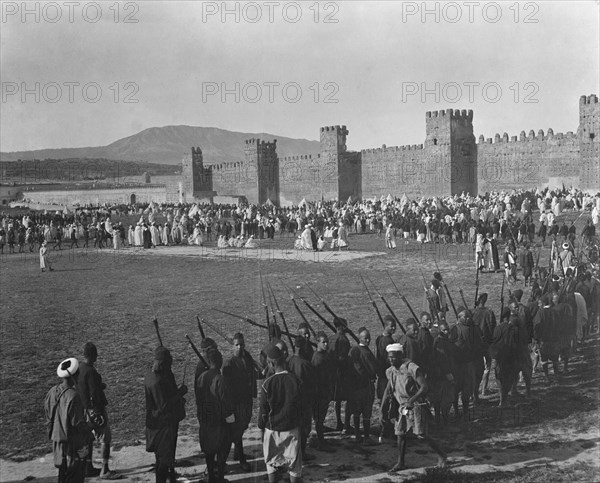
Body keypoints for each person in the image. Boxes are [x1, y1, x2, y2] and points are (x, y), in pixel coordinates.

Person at [381, 344, 447, 472]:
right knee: (400, 434)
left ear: (400, 356)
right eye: (389, 358)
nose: (391, 360)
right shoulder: (390, 371)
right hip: (402, 407)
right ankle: (400, 463)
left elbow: (424, 387)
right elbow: (389, 390)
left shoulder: (411, 368)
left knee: (421, 434)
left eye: (393, 358)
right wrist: (384, 408)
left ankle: (442, 455)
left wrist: (411, 400)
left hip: (416, 405)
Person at [258, 345, 303, 483]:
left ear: (271, 363)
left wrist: (261, 429)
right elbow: (302, 407)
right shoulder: (296, 380)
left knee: (271, 464)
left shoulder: (267, 384)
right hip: (292, 429)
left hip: (273, 431)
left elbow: (263, 412)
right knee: (294, 465)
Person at [44, 357, 92, 483]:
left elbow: (48, 416)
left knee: (62, 475)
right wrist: (90, 427)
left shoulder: (52, 392)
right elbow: (78, 425)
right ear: (75, 375)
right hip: (72, 445)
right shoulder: (74, 396)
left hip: (57, 443)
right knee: (75, 476)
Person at [144, 346, 187, 483]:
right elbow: (164, 406)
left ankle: (169, 476)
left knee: (162, 457)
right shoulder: (157, 381)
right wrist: (180, 393)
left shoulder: (153, 376)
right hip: (162, 425)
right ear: (163, 363)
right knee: (163, 460)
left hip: (159, 423)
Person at [75, 343, 115, 479]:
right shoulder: (91, 371)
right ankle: (105, 469)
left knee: (89, 438)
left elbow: (84, 389)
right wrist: (98, 412)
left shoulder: (79, 368)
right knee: (105, 438)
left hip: (83, 411)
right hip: (94, 411)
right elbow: (94, 394)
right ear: (92, 355)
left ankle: (87, 467)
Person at [196, 349, 235, 483]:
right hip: (219, 423)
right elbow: (226, 403)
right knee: (222, 451)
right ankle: (220, 478)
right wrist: (231, 419)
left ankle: (211, 477)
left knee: (209, 451)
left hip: (205, 421)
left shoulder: (201, 377)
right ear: (219, 362)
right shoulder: (220, 380)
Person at [222, 333, 258, 472]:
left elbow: (253, 373)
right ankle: (240, 458)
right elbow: (225, 386)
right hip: (236, 402)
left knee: (243, 426)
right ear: (232, 346)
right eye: (237, 345)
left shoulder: (246, 358)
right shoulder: (229, 363)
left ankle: (238, 453)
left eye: (242, 344)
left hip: (246, 399)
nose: (239, 347)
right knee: (236, 430)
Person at [347, 327, 378, 445]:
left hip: (360, 386)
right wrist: (368, 376)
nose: (368, 340)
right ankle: (364, 437)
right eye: (366, 338)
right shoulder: (358, 350)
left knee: (360, 411)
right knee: (364, 411)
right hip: (363, 386)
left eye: (369, 337)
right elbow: (358, 368)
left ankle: (359, 436)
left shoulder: (361, 350)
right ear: (360, 338)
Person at [490, 308, 520, 406]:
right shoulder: (514, 329)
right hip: (511, 357)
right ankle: (504, 399)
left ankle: (501, 398)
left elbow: (494, 341)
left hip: (500, 356)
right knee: (509, 378)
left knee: (499, 377)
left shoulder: (498, 328)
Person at [311, 332, 334, 449]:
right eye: (323, 342)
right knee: (319, 419)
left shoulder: (325, 355)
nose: (326, 344)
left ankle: (321, 439)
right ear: (317, 343)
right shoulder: (317, 358)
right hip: (320, 393)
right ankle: (321, 442)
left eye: (327, 342)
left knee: (321, 417)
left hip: (326, 391)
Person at [328, 317, 351, 432]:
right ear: (341, 326)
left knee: (337, 400)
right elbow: (342, 358)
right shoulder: (343, 339)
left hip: (332, 372)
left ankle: (339, 422)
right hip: (342, 373)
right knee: (347, 398)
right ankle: (345, 423)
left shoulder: (331, 338)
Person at [471, 294, 496, 397]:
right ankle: (483, 390)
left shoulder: (473, 312)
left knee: (475, 367)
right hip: (486, 344)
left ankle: (474, 391)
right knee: (486, 368)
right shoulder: (489, 313)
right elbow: (492, 328)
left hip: (475, 344)